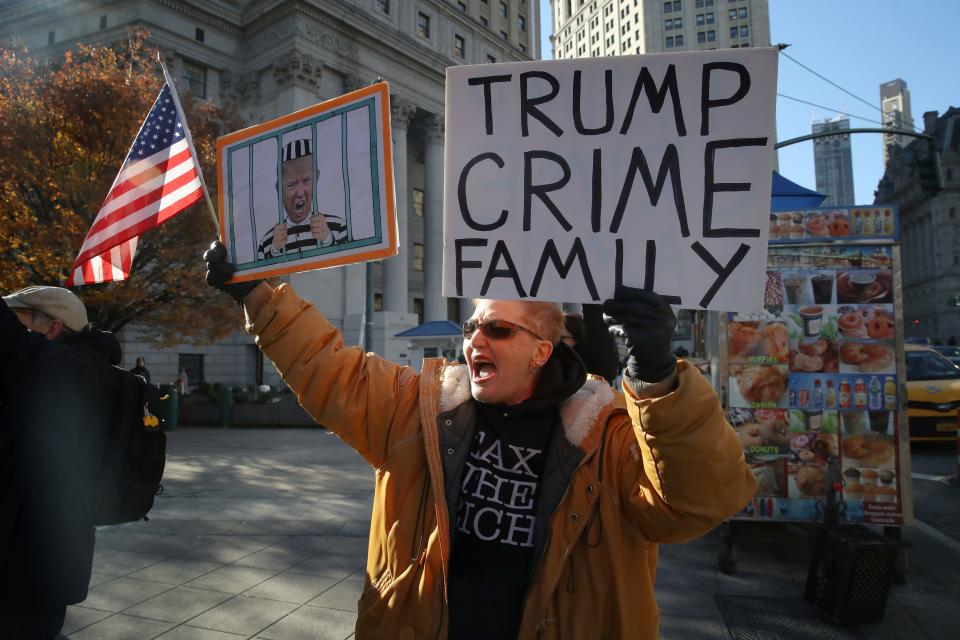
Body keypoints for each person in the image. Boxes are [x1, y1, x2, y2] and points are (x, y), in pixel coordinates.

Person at [204, 242, 756, 640]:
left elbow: (695, 503)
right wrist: (258, 295)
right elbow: (329, 368)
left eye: (498, 329)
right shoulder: (417, 407)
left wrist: (659, 378)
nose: (474, 341)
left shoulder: (610, 433)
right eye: (472, 327)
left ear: (544, 350)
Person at [1, 286, 120, 639]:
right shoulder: (56, 371)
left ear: (52, 328)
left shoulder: (73, 371)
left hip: (31, 569)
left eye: (22, 326)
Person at [257, 139, 348, 259]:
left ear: (316, 179)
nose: (300, 193)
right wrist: (274, 251)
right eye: (291, 184)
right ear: (279, 189)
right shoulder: (266, 242)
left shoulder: (339, 228)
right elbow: (261, 277)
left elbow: (351, 263)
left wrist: (328, 239)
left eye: (306, 180)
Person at [561, 304, 620, 384]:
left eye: (561, 338)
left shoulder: (581, 367)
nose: (555, 342)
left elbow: (595, 321)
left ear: (576, 339)